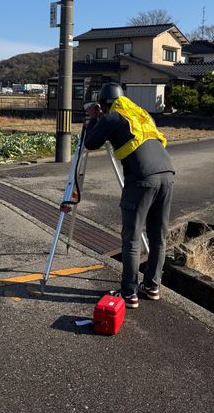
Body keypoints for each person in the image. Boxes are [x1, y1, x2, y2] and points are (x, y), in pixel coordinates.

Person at [83, 83, 175, 309]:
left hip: (141, 178)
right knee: (158, 236)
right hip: (168, 174)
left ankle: (128, 293)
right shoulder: (141, 115)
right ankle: (152, 287)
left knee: (132, 238)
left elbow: (90, 142)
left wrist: (94, 119)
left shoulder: (111, 117)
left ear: (104, 104)